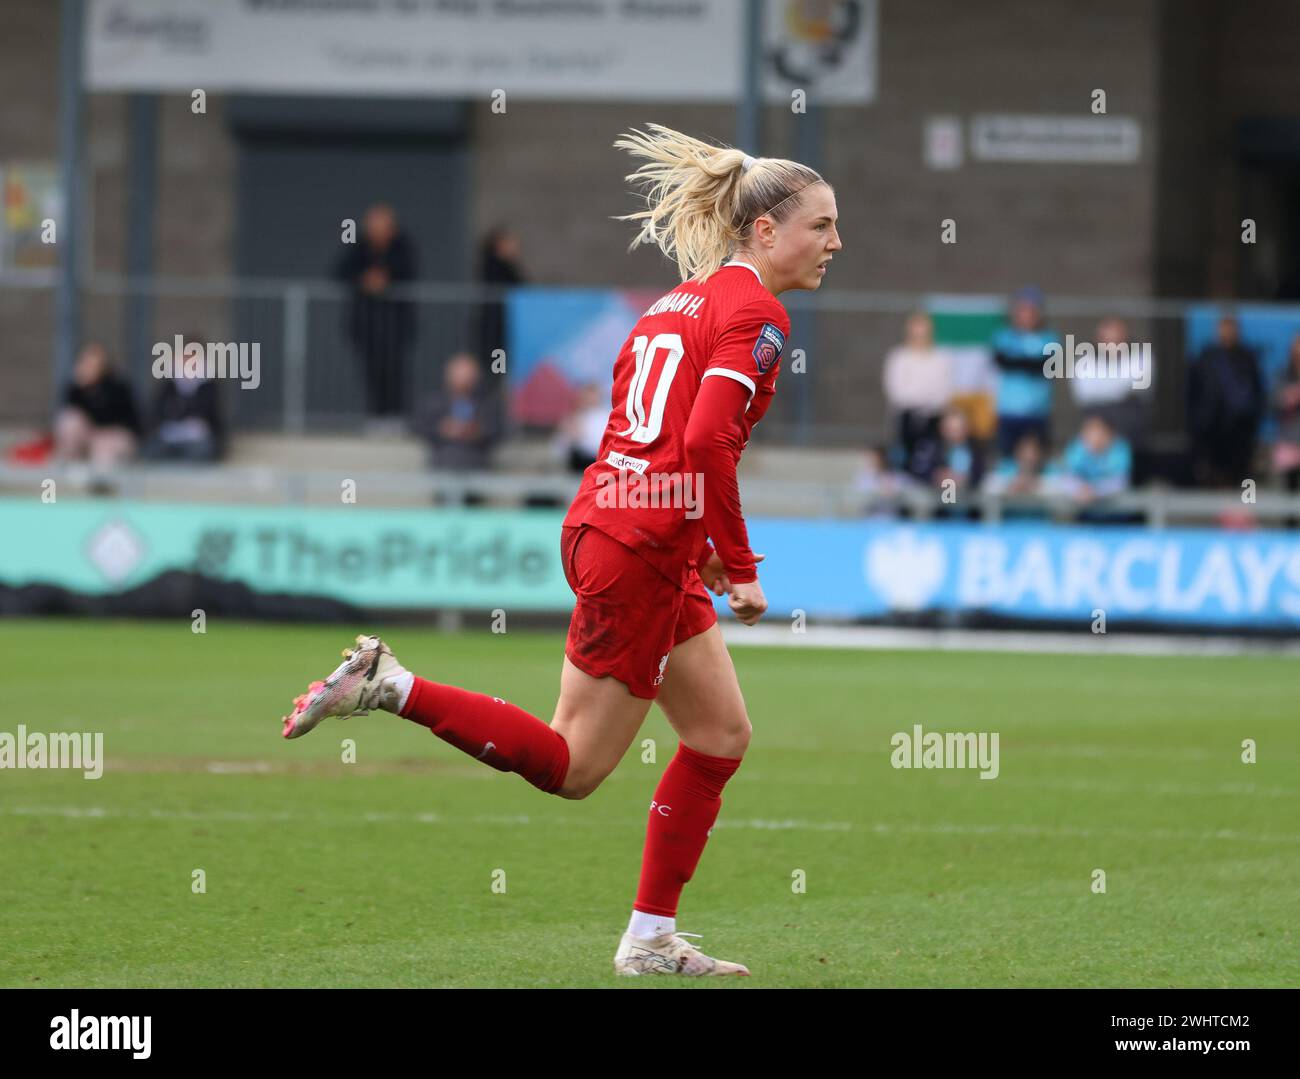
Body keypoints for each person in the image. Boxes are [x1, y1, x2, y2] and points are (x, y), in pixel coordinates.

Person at [279, 123, 841, 978]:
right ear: (765, 232)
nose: (836, 241)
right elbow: (703, 445)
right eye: (822, 225)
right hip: (641, 546)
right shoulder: (757, 311)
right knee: (574, 765)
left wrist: (697, 545)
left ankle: (651, 938)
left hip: (620, 523)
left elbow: (642, 432)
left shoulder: (673, 302)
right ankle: (391, 685)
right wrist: (743, 561)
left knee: (721, 732)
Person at [335, 203, 417, 423]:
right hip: (366, 324)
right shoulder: (359, 246)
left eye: (382, 225)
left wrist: (385, 279)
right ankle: (376, 417)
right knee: (372, 371)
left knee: (394, 371)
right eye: (373, 225)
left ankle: (396, 417)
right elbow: (340, 271)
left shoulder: (402, 246)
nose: (377, 230)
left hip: (395, 324)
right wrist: (364, 279)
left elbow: (408, 271)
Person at [1188, 314, 1264, 488]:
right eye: (1223, 327)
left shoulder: (1247, 358)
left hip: (1240, 433)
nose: (1227, 332)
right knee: (1211, 480)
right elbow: (1193, 393)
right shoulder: (1205, 358)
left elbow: (1257, 393)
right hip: (1211, 433)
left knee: (1239, 484)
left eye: (1231, 328)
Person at [882, 311, 952, 480]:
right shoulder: (899, 357)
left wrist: (928, 402)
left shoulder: (941, 358)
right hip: (907, 416)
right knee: (905, 460)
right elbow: (896, 388)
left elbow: (944, 389)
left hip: (933, 417)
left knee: (932, 459)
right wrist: (917, 400)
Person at [991, 286, 1058, 458]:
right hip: (1008, 412)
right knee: (1006, 460)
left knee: (1037, 458)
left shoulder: (1050, 338)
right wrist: (1030, 362)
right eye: (1022, 310)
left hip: (1038, 412)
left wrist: (1018, 360)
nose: (1026, 315)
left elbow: (1047, 367)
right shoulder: (1003, 336)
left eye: (1031, 310)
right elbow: (1002, 362)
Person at [54, 341, 141, 469]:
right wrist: (81, 389)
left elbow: (109, 418)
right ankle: (69, 467)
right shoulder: (76, 388)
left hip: (114, 435)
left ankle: (101, 483)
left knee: (103, 450)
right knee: (70, 421)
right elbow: (71, 412)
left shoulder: (117, 387)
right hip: (90, 434)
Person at [144, 335, 223, 463]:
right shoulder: (168, 384)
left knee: (201, 450)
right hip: (170, 438)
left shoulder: (210, 385)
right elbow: (158, 413)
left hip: (197, 440)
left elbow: (211, 417)